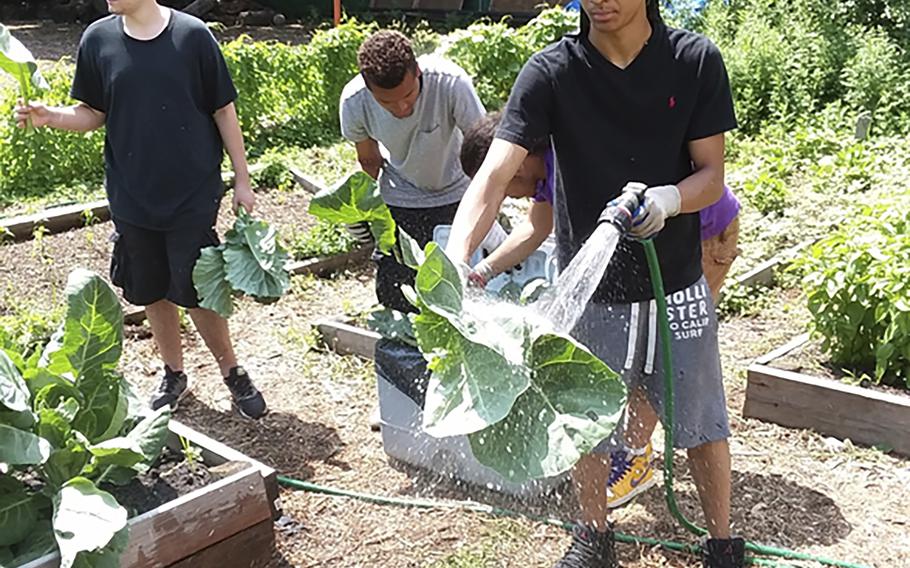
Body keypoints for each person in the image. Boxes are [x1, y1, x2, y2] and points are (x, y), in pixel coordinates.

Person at [444, 0, 745, 566]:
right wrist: (459, 260)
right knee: (585, 422)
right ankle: (593, 536)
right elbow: (496, 171)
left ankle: (722, 542)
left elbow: (711, 175)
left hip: (675, 284)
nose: (600, 1)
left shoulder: (693, 60)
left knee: (703, 422)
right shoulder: (552, 71)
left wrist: (670, 198)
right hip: (593, 291)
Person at [15, 0, 267, 419]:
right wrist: (50, 116)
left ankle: (232, 371)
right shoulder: (98, 39)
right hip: (132, 192)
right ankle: (173, 373)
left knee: (196, 286)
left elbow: (223, 108)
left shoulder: (192, 36)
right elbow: (93, 113)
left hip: (192, 190)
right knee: (150, 287)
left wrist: (242, 178)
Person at [607, 185, 741, 509]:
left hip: (706, 232)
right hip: (670, 235)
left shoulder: (561, 154)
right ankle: (634, 447)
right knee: (651, 340)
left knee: (667, 345)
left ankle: (636, 458)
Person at [339, 30, 486, 314]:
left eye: (408, 95)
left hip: (458, 195)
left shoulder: (451, 83)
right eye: (387, 102)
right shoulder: (354, 101)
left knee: (464, 293)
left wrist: (487, 205)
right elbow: (369, 161)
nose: (402, 107)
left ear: (417, 71)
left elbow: (482, 147)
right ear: (369, 89)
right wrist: (363, 213)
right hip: (401, 197)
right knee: (397, 295)